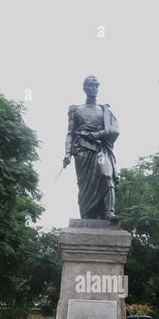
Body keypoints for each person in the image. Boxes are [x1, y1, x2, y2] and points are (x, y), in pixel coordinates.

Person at [63, 75, 120, 221]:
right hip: (82, 151)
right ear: (84, 88)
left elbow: (115, 130)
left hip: (101, 150)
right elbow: (70, 133)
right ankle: (87, 215)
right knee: (85, 186)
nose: (93, 88)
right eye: (90, 85)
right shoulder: (76, 110)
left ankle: (109, 212)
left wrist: (99, 133)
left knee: (106, 176)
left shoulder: (105, 110)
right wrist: (67, 154)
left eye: (96, 85)